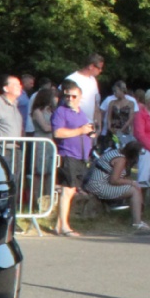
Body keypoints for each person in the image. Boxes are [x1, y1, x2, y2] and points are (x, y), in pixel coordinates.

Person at [50, 80, 95, 236]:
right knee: (67, 191)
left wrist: (89, 133)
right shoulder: (61, 111)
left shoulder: (81, 113)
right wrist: (80, 131)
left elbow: (83, 130)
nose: (70, 99)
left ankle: (58, 225)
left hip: (80, 156)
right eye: (67, 96)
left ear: (80, 97)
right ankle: (65, 226)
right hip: (68, 155)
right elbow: (58, 132)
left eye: (73, 96)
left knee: (71, 190)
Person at [82, 140, 150, 231]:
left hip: (97, 183)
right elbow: (114, 180)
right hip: (98, 186)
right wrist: (131, 182)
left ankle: (137, 215)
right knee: (134, 191)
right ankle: (137, 222)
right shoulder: (120, 160)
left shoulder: (116, 152)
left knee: (135, 188)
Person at [65, 54, 105, 127]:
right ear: (91, 66)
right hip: (74, 125)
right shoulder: (72, 79)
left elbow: (95, 103)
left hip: (90, 125)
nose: (100, 71)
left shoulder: (93, 80)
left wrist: (98, 124)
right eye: (99, 68)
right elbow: (62, 102)